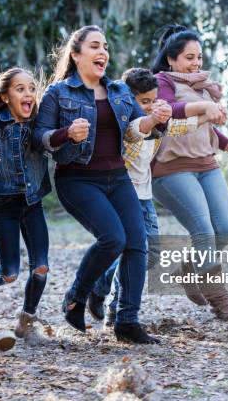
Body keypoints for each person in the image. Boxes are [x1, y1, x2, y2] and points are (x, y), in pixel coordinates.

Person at [34, 25, 171, 344]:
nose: (103, 52)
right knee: (113, 238)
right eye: (95, 46)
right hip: (77, 178)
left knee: (137, 242)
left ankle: (127, 320)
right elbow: (39, 137)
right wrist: (65, 133)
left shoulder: (120, 91)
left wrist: (154, 121)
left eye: (106, 47)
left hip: (117, 177)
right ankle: (76, 297)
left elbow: (137, 128)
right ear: (76, 53)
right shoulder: (59, 92)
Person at [87, 68, 212, 325]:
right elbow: (137, 134)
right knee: (134, 250)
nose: (151, 107)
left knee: (149, 253)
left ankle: (99, 286)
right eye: (144, 102)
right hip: (120, 194)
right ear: (127, 101)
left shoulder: (156, 120)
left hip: (144, 195)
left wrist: (207, 117)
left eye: (153, 100)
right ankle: (116, 307)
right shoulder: (120, 125)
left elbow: (176, 127)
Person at [151, 25, 228, 321]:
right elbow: (169, 109)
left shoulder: (202, 87)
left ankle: (189, 267)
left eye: (199, 58)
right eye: (189, 58)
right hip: (171, 169)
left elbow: (210, 130)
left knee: (227, 228)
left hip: (207, 165)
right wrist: (206, 105)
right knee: (204, 232)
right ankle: (221, 301)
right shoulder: (161, 81)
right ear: (171, 59)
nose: (196, 63)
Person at [0, 67, 52, 342]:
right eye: (20, 89)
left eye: (32, 88)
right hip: (4, 205)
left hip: (33, 202)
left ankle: (27, 318)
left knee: (41, 268)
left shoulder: (39, 122)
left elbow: (53, 139)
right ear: (4, 97)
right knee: (9, 273)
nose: (28, 94)